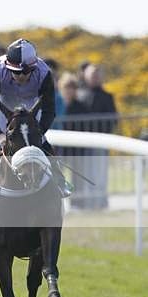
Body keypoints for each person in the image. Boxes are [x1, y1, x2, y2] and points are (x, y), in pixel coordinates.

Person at [0, 38, 72, 203]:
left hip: (31, 106)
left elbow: (50, 110)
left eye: (25, 72)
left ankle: (59, 179)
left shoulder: (44, 73)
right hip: (4, 105)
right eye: (15, 72)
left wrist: (39, 133)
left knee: (41, 141)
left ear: (34, 68)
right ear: (8, 67)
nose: (21, 76)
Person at [83, 64, 117, 209]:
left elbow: (112, 118)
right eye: (92, 75)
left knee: (100, 174)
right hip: (83, 144)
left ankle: (101, 202)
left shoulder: (107, 96)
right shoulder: (81, 95)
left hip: (101, 143)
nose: (95, 78)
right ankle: (87, 203)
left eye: (97, 75)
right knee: (85, 174)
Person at [58, 73, 91, 209]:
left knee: (78, 177)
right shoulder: (57, 105)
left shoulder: (81, 106)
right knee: (58, 175)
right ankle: (59, 203)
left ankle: (78, 203)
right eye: (67, 87)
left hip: (76, 148)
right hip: (60, 148)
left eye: (72, 87)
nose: (69, 90)